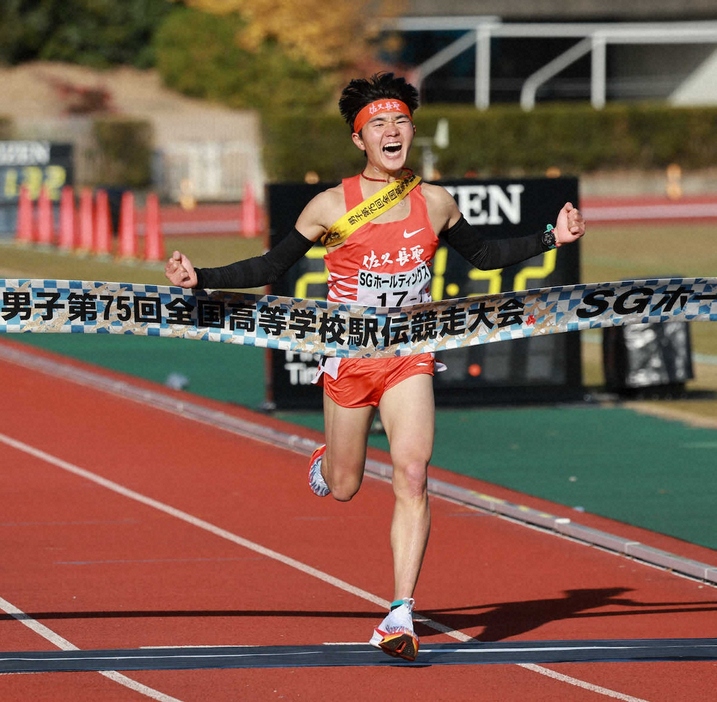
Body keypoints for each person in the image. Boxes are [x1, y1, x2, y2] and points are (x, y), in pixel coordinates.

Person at [165, 72, 586, 662]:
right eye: (378, 125)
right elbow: (269, 265)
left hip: (409, 354)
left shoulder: (435, 201)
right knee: (345, 487)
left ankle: (399, 612)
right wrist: (200, 278)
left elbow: (487, 257)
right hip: (349, 356)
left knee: (413, 474)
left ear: (413, 131)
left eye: (400, 122)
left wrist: (552, 236)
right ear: (360, 140)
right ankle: (329, 461)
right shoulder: (330, 205)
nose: (392, 132)